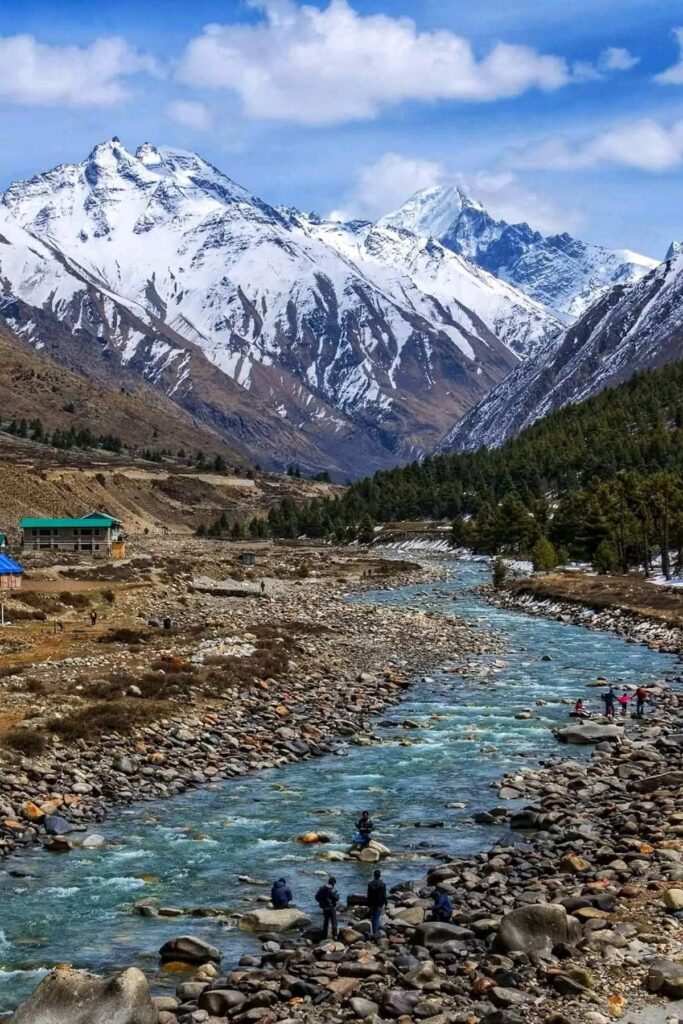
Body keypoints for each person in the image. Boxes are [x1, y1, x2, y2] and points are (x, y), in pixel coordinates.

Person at [366, 869, 387, 936]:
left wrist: (368, 903)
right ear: (379, 876)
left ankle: (373, 930)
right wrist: (386, 902)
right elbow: (384, 895)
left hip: (371, 902)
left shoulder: (370, 884)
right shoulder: (383, 884)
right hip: (379, 903)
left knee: (373, 916)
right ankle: (376, 932)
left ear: (374, 875)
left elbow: (368, 894)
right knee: (377, 916)